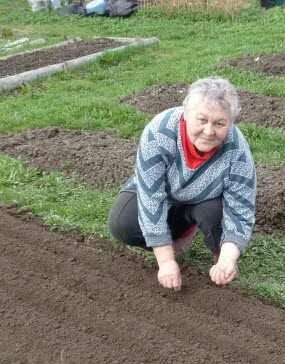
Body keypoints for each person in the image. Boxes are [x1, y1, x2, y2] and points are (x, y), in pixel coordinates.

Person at [109, 77, 257, 291]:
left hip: (206, 199)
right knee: (122, 223)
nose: (209, 131)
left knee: (215, 216)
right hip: (165, 192)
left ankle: (216, 254)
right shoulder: (160, 132)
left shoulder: (238, 152)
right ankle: (178, 234)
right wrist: (166, 262)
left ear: (230, 122)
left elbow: (241, 208)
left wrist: (228, 260)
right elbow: (152, 198)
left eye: (219, 123)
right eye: (202, 120)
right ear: (186, 114)